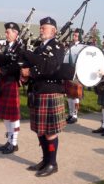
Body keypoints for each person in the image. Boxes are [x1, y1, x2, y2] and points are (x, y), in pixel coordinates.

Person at [20, 17, 66, 177]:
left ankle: (52, 163)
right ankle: (45, 160)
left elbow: (51, 66)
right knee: (40, 131)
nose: (41, 30)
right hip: (38, 91)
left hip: (51, 91)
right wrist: (25, 76)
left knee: (50, 131)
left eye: (44, 28)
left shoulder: (58, 46)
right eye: (40, 28)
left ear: (53, 30)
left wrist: (31, 72)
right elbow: (33, 65)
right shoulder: (39, 48)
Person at [0, 22, 21, 154]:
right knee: (6, 116)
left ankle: (14, 143)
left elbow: (15, 67)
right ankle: (9, 141)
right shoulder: (6, 47)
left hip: (12, 82)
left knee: (13, 116)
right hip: (3, 82)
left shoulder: (20, 48)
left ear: (16, 33)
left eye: (8, 32)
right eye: (6, 32)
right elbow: (1, 61)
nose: (6, 34)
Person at [65, 28, 84, 124]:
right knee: (69, 95)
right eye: (74, 35)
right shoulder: (70, 46)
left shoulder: (83, 47)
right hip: (69, 72)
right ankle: (70, 114)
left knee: (75, 95)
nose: (74, 37)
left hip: (78, 73)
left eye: (76, 35)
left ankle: (75, 115)